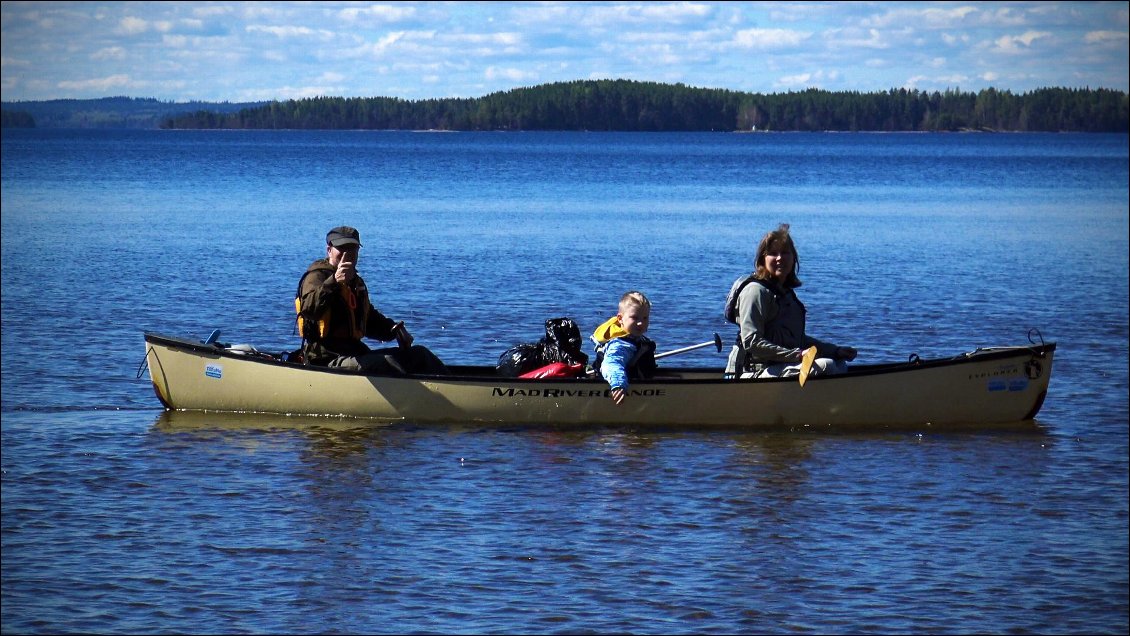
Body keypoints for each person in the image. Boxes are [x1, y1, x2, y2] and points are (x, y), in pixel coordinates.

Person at [295, 226, 447, 374]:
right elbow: (309, 310)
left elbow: (369, 320)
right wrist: (334, 282)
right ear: (329, 250)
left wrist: (395, 330)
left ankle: (451, 387)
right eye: (342, 248)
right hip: (327, 359)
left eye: (352, 249)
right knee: (386, 363)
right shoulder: (316, 277)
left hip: (355, 352)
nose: (347, 254)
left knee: (420, 355)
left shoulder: (356, 282)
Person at [725, 223, 857, 378]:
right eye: (773, 253)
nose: (780, 258)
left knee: (838, 362)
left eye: (785, 252)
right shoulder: (755, 291)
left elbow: (798, 341)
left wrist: (835, 351)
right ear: (763, 259)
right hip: (750, 372)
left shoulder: (786, 294)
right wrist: (798, 355)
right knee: (826, 366)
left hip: (780, 366)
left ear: (793, 258)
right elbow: (752, 343)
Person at [591, 291, 657, 404]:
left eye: (645, 318)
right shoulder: (620, 344)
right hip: (619, 384)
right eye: (635, 318)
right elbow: (612, 363)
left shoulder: (634, 338)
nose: (641, 323)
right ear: (620, 319)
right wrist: (618, 384)